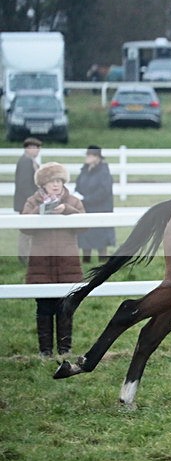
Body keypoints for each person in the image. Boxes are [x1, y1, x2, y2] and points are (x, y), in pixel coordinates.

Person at [21, 162, 85, 356]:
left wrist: (67, 211)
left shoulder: (73, 201)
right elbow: (24, 226)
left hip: (67, 263)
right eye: (51, 181)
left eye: (59, 180)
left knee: (65, 307)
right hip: (42, 263)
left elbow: (84, 225)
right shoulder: (32, 202)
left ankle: (65, 350)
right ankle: (45, 351)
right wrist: (41, 211)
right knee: (44, 307)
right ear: (43, 184)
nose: (56, 185)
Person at [74, 145, 115, 262]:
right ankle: (86, 261)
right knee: (85, 236)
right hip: (86, 208)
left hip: (100, 208)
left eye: (90, 155)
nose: (88, 157)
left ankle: (102, 263)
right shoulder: (84, 171)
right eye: (87, 155)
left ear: (97, 157)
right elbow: (78, 186)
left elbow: (104, 191)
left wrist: (87, 199)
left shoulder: (104, 172)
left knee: (100, 239)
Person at [14, 137, 42, 264]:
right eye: (36, 148)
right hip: (26, 202)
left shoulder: (29, 161)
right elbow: (24, 184)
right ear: (29, 148)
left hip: (26, 201)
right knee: (26, 231)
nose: (38, 151)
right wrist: (33, 200)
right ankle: (24, 256)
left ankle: (27, 255)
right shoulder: (26, 162)